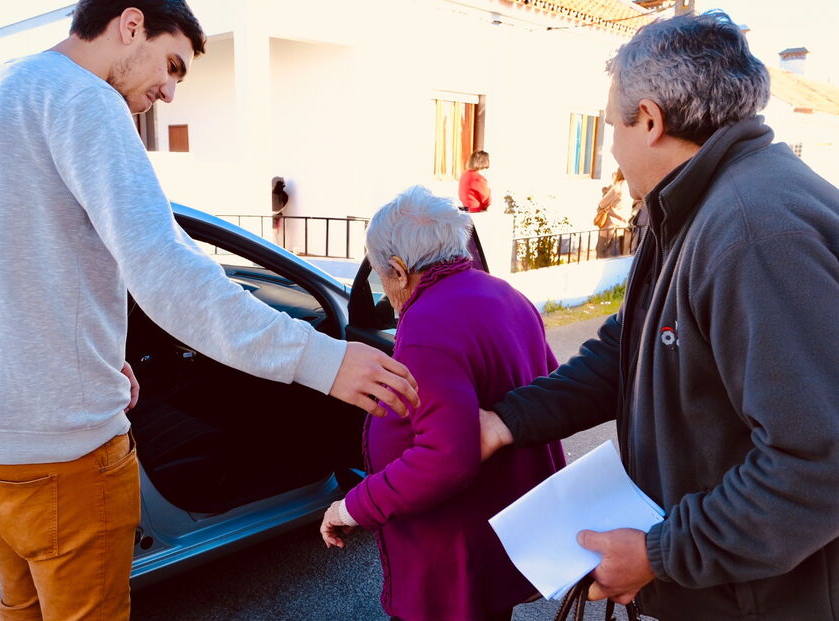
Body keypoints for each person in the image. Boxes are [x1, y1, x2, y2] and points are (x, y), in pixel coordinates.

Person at [0, 2, 418, 619]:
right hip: (58, 446)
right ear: (129, 24)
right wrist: (320, 359)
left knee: (21, 609)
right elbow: (168, 273)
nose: (166, 91)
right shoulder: (84, 101)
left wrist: (95, 358)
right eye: (170, 65)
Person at [480, 11, 838, 621]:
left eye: (609, 127)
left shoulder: (752, 233)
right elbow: (629, 350)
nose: (611, 150)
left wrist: (661, 553)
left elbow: (817, 463)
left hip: (767, 601)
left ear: (649, 121)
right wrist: (509, 421)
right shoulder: (695, 206)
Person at [320, 186, 566, 621]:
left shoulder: (427, 324)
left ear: (397, 270)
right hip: (502, 531)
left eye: (380, 274)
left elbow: (444, 459)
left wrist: (351, 506)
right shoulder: (506, 294)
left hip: (453, 555)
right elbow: (549, 394)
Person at [594, 169, 633, 257]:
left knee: (602, 253)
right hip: (624, 226)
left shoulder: (618, 187)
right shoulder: (631, 187)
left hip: (610, 227)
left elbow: (602, 204)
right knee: (618, 255)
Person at [271, 175, 288, 245]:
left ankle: (275, 246)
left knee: (274, 232)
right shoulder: (284, 195)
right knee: (275, 233)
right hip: (277, 215)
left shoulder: (274, 194)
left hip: (275, 215)